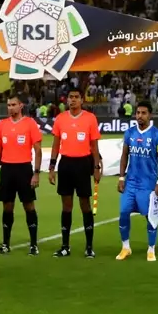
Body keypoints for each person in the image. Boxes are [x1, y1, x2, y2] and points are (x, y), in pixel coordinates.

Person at [48, 86, 102, 258]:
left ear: (81, 99)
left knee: (85, 205)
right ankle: (65, 246)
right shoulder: (60, 119)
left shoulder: (90, 118)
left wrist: (96, 167)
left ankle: (89, 247)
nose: (72, 100)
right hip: (65, 164)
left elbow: (94, 146)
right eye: (70, 97)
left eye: (76, 97)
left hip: (83, 163)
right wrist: (51, 167)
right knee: (66, 206)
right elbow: (56, 145)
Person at [0, 94, 42, 254]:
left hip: (24, 169)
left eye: (13, 104)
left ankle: (33, 244)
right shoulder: (2, 125)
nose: (10, 107)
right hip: (6, 169)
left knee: (28, 205)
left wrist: (36, 173)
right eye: (8, 105)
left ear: (21, 106)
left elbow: (38, 150)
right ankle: (5, 244)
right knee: (7, 206)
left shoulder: (30, 124)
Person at [116, 101, 158, 261]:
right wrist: (121, 177)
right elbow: (124, 156)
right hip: (130, 182)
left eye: (143, 113)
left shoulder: (157, 135)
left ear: (150, 115)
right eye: (138, 113)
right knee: (123, 213)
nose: (140, 116)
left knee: (149, 216)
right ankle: (125, 247)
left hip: (148, 184)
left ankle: (151, 249)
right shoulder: (129, 133)